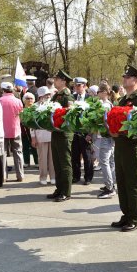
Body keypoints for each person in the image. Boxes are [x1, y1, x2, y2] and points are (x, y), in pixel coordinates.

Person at [111, 66, 137, 231]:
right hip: (119, 144)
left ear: (136, 80)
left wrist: (127, 133)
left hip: (131, 145)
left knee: (132, 181)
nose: (124, 79)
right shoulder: (122, 100)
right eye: (124, 77)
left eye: (128, 77)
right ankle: (126, 214)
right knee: (121, 180)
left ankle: (135, 217)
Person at [47, 70, 75, 202]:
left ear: (63, 81)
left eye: (57, 79)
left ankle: (66, 191)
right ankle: (59, 189)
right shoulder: (56, 95)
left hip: (64, 132)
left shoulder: (67, 95)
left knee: (64, 162)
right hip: (56, 132)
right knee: (57, 162)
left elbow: (70, 113)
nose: (55, 80)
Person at [0, 81, 24, 182]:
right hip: (15, 129)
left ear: (2, 89)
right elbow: (21, 116)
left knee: (3, 153)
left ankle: (3, 176)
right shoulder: (18, 101)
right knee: (18, 152)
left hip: (2, 131)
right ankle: (20, 175)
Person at [71, 77, 94, 185]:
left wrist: (90, 133)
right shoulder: (72, 97)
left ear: (84, 86)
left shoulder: (90, 99)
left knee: (87, 155)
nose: (76, 87)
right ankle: (76, 176)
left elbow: (94, 118)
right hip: (74, 131)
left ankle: (88, 177)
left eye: (78, 85)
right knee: (74, 155)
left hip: (86, 131)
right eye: (75, 85)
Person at [95, 84, 116, 200]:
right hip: (109, 136)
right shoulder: (109, 104)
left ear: (104, 92)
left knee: (104, 162)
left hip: (105, 136)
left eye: (99, 91)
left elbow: (104, 121)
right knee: (111, 161)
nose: (98, 93)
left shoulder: (105, 105)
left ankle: (110, 188)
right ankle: (111, 184)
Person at [33, 87, 55, 185]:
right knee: (42, 158)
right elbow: (31, 124)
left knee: (53, 158)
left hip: (52, 135)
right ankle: (43, 177)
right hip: (40, 136)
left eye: (49, 95)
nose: (48, 97)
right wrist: (33, 137)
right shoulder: (35, 107)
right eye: (46, 95)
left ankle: (53, 177)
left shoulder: (53, 105)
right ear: (40, 96)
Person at [20, 92, 38, 169]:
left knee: (35, 146)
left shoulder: (36, 109)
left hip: (35, 130)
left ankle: (37, 162)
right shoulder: (22, 110)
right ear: (24, 100)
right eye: (27, 98)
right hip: (24, 131)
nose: (29, 100)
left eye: (31, 98)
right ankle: (26, 162)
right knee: (25, 147)